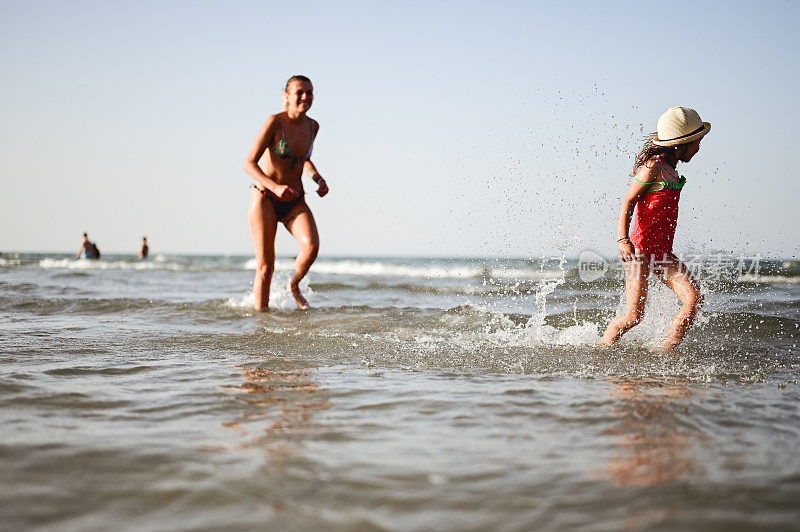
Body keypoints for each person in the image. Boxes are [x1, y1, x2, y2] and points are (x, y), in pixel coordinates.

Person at [601, 107, 711, 351]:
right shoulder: (653, 166)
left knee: (693, 300)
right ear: (679, 145)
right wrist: (622, 239)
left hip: (662, 253)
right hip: (638, 251)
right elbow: (628, 202)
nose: (698, 148)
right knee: (633, 316)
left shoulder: (672, 171)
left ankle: (666, 352)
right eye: (696, 142)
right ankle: (601, 349)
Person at [244, 75, 329, 311]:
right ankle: (261, 322)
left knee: (311, 247)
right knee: (265, 268)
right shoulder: (275, 122)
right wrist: (275, 187)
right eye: (300, 92)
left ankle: (294, 285)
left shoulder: (313, 126)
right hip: (266, 198)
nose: (305, 97)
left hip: (294, 200)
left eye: (310, 92)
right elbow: (249, 163)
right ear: (287, 96)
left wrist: (318, 179)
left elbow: (303, 160)